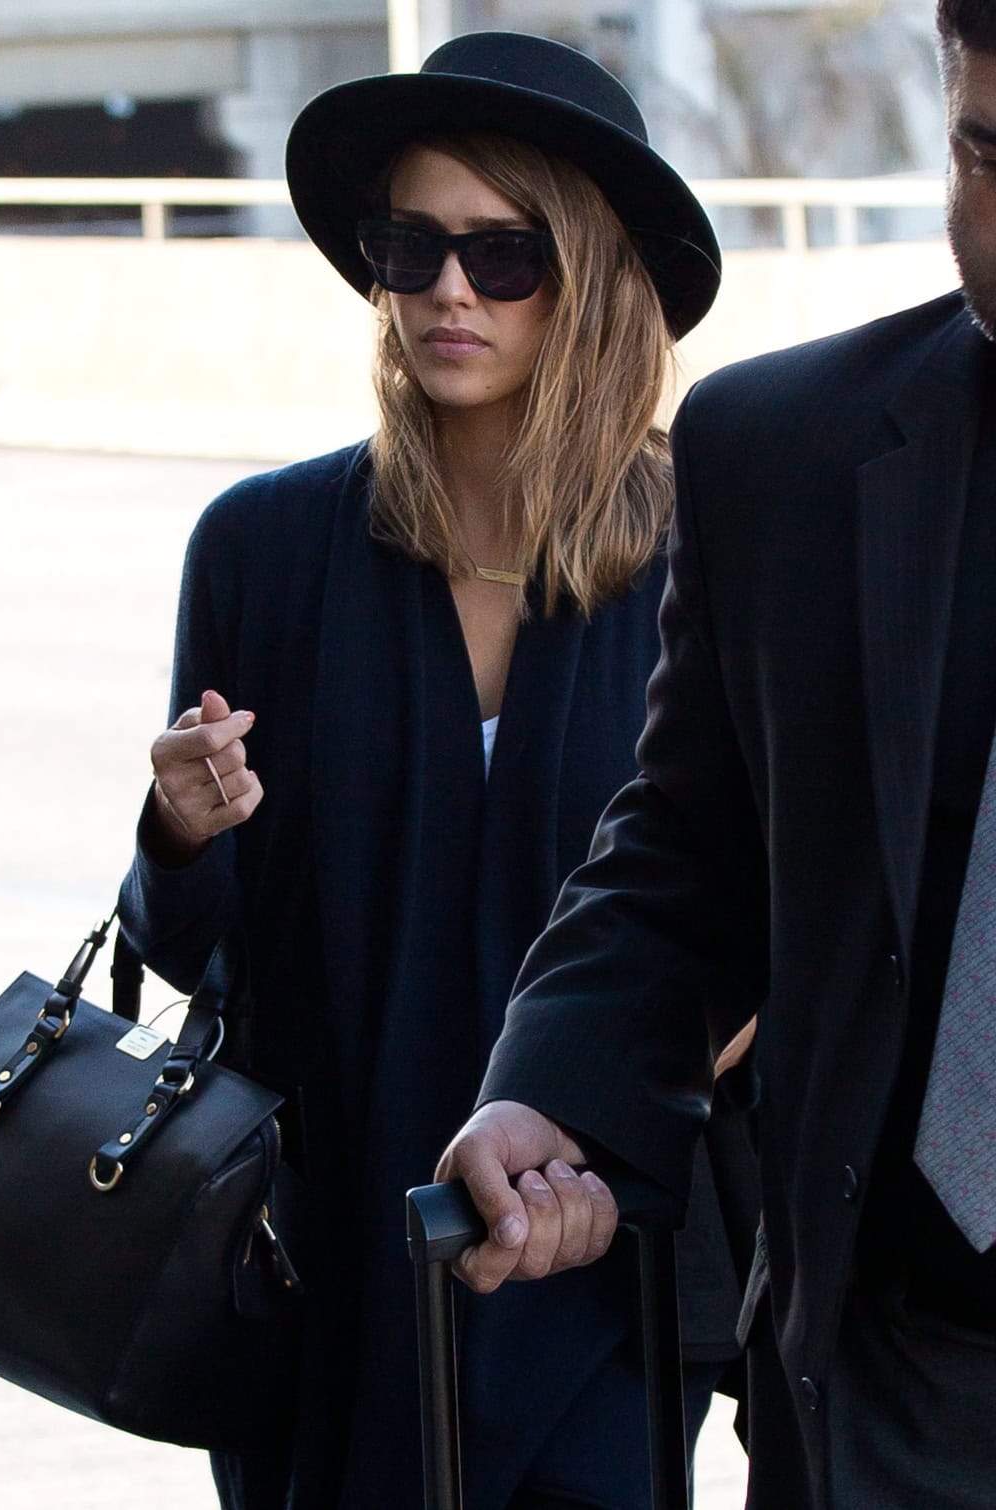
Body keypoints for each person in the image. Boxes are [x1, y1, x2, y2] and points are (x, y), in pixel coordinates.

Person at [118, 31, 742, 1510]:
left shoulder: (712, 554)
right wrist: (182, 833)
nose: (449, 290)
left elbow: (772, 920)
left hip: (600, 1257)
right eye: (410, 247)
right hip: (319, 1266)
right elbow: (196, 953)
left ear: (584, 275)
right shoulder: (265, 549)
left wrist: (609, 1117)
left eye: (503, 253)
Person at [438, 3, 996, 1507]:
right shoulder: (783, 452)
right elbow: (690, 845)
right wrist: (553, 1079)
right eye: (990, 156)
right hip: (893, 1385)